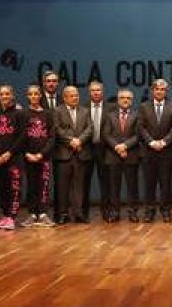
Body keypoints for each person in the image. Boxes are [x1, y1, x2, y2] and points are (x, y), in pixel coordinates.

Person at [137, 78, 172, 222]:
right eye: (157, 89)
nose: (160, 91)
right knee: (149, 183)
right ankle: (149, 211)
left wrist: (164, 142)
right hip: (149, 152)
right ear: (153, 91)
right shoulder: (143, 107)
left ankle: (166, 211)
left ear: (166, 91)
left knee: (165, 183)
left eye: (162, 89)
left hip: (167, 152)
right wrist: (151, 142)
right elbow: (141, 128)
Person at [0, 85, 27, 230]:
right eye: (2, 94)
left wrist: (9, 153)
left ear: (12, 95)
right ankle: (5, 215)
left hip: (13, 158)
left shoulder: (19, 114)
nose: (4, 96)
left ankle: (12, 216)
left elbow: (22, 137)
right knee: (2, 188)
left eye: (7, 94)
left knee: (14, 188)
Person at [54, 85, 92, 224]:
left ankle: (79, 213)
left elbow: (90, 128)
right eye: (72, 95)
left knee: (79, 186)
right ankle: (63, 214)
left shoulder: (85, 111)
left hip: (81, 154)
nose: (75, 97)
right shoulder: (57, 111)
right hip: (64, 154)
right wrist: (71, 141)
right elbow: (57, 129)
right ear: (65, 98)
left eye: (76, 95)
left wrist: (80, 140)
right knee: (63, 187)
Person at [101, 88, 141, 223]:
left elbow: (138, 135)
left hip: (131, 155)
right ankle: (115, 212)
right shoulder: (109, 115)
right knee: (113, 187)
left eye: (128, 98)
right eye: (123, 98)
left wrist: (125, 146)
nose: (125, 100)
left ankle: (133, 212)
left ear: (132, 100)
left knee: (132, 186)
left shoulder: (137, 115)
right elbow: (106, 134)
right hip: (113, 155)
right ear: (118, 100)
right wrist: (117, 147)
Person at [21, 85, 56, 227]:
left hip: (44, 157)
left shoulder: (48, 114)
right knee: (31, 185)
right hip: (28, 157)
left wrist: (42, 154)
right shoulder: (23, 114)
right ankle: (32, 214)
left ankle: (43, 214)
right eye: (31, 94)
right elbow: (20, 136)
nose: (34, 96)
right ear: (27, 96)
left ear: (41, 96)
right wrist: (27, 153)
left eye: (36, 94)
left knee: (44, 185)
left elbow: (52, 137)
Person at [82, 81, 112, 222]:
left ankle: (106, 212)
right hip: (86, 148)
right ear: (89, 92)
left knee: (105, 183)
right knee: (84, 183)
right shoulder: (83, 108)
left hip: (104, 149)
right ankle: (83, 213)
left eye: (98, 90)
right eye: (93, 90)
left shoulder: (111, 108)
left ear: (102, 91)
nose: (95, 92)